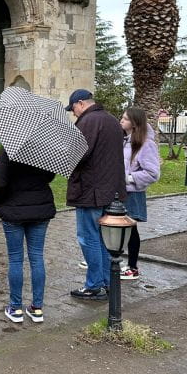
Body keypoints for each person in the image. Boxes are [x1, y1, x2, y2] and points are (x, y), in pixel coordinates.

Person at [64, 89, 126, 300]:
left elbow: (78, 155)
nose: (74, 113)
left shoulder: (88, 122)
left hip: (90, 191)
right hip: (110, 191)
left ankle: (93, 285)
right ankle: (108, 283)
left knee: (88, 237)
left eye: (73, 108)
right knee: (103, 239)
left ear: (81, 103)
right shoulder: (110, 120)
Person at [0, 149, 55, 324]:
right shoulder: (45, 151)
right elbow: (49, 177)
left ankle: (15, 307)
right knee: (37, 257)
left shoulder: (9, 150)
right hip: (40, 208)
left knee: (15, 259)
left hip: (13, 209)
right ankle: (37, 308)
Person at [119, 107, 161, 281]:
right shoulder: (125, 140)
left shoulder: (145, 144)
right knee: (121, 229)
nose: (121, 121)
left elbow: (153, 173)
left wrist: (129, 178)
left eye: (125, 119)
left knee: (130, 229)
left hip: (133, 193)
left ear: (134, 123)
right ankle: (124, 263)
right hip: (121, 191)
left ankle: (133, 267)